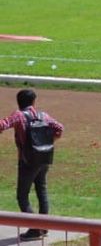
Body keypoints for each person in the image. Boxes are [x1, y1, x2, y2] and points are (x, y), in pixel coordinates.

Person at [0, 88, 64, 237]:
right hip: (44, 158)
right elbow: (59, 128)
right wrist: (48, 143)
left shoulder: (19, 115)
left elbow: (4, 124)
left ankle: (35, 229)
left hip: (27, 161)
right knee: (42, 191)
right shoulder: (43, 115)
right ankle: (44, 226)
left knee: (22, 195)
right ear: (34, 102)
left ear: (18, 102)